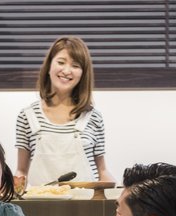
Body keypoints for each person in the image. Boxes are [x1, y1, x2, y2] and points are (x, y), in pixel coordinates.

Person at [15, 36, 114, 187]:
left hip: (86, 206)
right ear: (49, 66)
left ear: (83, 74)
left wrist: (121, 194)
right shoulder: (27, 116)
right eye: (61, 62)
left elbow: (102, 170)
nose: (66, 71)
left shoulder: (93, 117)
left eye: (75, 65)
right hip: (40, 206)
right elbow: (21, 171)